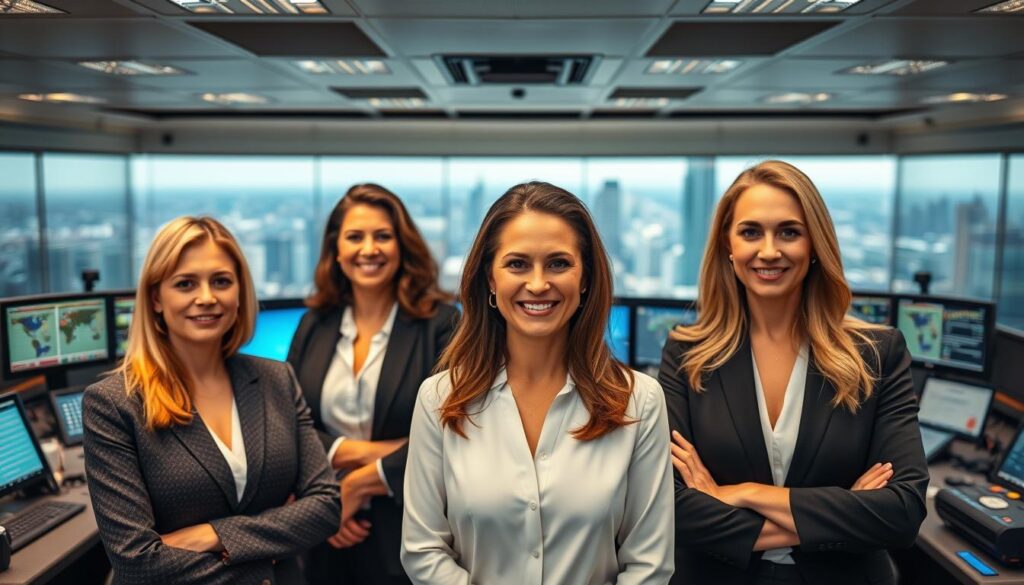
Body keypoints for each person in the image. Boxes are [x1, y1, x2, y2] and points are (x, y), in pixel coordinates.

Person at [660, 160, 928, 585]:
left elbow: (902, 512)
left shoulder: (877, 354)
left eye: (789, 232)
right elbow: (670, 508)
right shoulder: (688, 354)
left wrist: (742, 494)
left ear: (815, 243)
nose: (769, 251)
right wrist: (843, 514)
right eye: (751, 232)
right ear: (728, 247)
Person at [401, 181, 674, 585]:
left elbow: (649, 564)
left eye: (559, 263)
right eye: (517, 264)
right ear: (490, 280)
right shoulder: (439, 400)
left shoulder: (640, 401)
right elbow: (422, 550)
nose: (538, 283)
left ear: (586, 280)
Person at [83, 216, 340, 585]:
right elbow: (137, 561)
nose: (206, 298)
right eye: (185, 284)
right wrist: (266, 563)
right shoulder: (113, 404)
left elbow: (326, 507)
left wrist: (214, 534)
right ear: (156, 298)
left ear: (239, 292)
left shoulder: (276, 379)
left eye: (221, 281)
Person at [287, 184, 458, 585]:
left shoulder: (441, 325)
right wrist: (336, 491)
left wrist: (360, 484)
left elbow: (456, 434)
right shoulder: (315, 324)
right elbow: (287, 424)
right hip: (325, 532)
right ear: (336, 249)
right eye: (355, 237)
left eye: (383, 236)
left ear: (403, 245)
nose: (369, 249)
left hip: (411, 531)